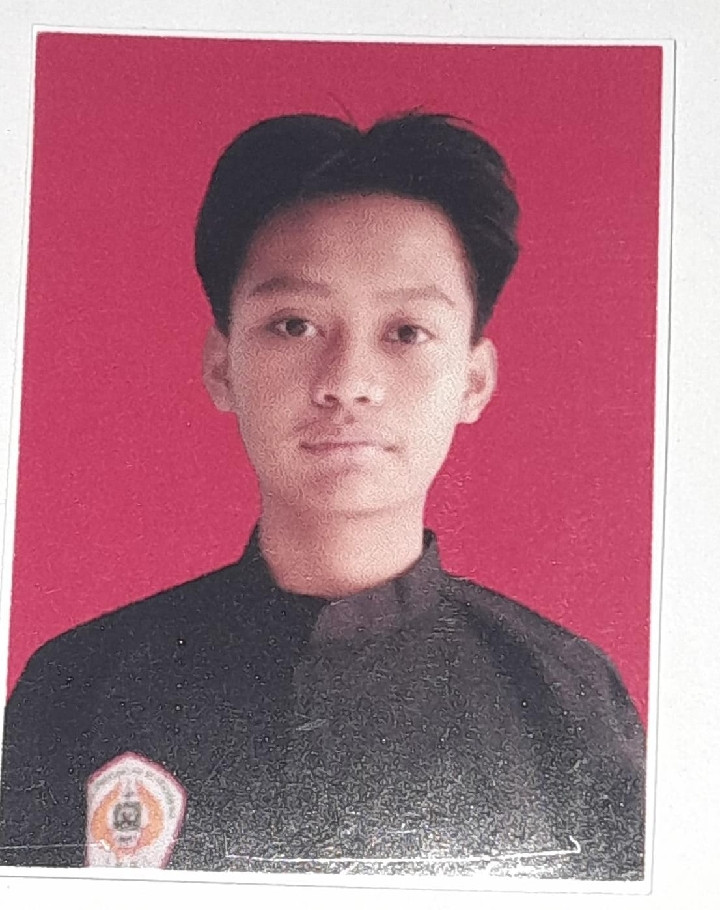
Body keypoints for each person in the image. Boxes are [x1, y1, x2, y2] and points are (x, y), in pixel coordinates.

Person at [0, 112, 645, 878]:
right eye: (294, 324)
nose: (348, 382)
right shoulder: (80, 686)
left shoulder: (568, 702)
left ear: (474, 380)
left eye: (406, 332)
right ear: (222, 366)